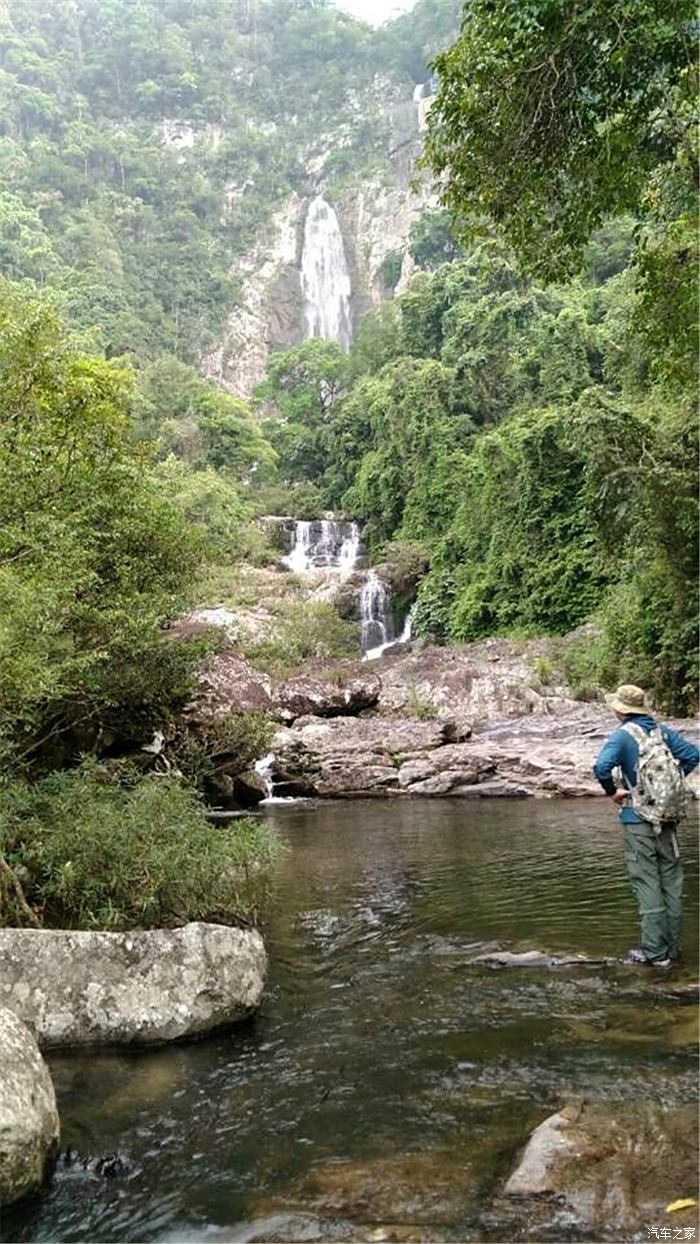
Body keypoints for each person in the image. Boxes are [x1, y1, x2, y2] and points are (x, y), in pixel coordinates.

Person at [594, 683, 698, 967]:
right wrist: (669, 788)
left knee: (647, 881)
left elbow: (601, 767)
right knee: (671, 882)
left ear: (621, 710)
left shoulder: (623, 736)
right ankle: (673, 951)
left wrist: (613, 792)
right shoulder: (660, 731)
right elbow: (692, 756)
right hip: (667, 818)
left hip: (637, 819)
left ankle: (655, 953)